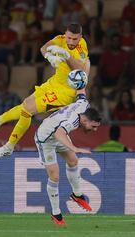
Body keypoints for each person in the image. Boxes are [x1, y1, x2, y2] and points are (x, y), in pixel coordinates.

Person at [0, 23, 90, 158]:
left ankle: (9, 146)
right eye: (69, 38)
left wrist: (66, 55)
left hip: (65, 92)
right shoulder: (60, 39)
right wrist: (50, 57)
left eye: (75, 39)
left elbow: (79, 69)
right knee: (26, 104)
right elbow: (44, 48)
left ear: (80, 37)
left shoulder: (81, 46)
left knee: (27, 110)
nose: (71, 42)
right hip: (53, 83)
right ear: (65, 34)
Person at [34, 92, 101, 226]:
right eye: (93, 126)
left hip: (57, 134)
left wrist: (81, 77)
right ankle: (56, 213)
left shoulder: (84, 105)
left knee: (73, 161)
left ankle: (77, 195)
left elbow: (81, 93)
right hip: (45, 139)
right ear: (84, 121)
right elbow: (59, 133)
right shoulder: (73, 121)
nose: (95, 130)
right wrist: (74, 148)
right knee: (55, 176)